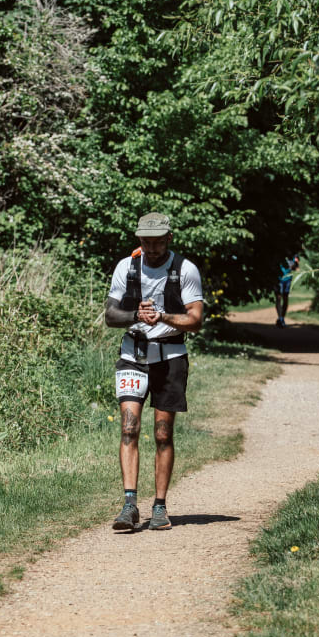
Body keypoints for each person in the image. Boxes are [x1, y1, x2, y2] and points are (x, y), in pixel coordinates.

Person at [104, 212, 204, 531]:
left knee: (162, 433)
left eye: (157, 242)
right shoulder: (127, 267)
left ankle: (159, 506)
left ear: (169, 239)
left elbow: (196, 320)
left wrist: (162, 317)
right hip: (132, 355)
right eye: (145, 242)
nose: (151, 248)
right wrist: (136, 314)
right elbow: (110, 315)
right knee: (129, 428)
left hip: (170, 357)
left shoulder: (185, 270)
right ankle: (129, 506)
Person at [275, 253, 299, 327]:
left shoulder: (294, 255)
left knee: (285, 299)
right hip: (278, 279)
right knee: (278, 298)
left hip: (287, 280)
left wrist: (295, 264)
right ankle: (280, 318)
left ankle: (282, 318)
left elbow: (296, 268)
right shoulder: (278, 253)